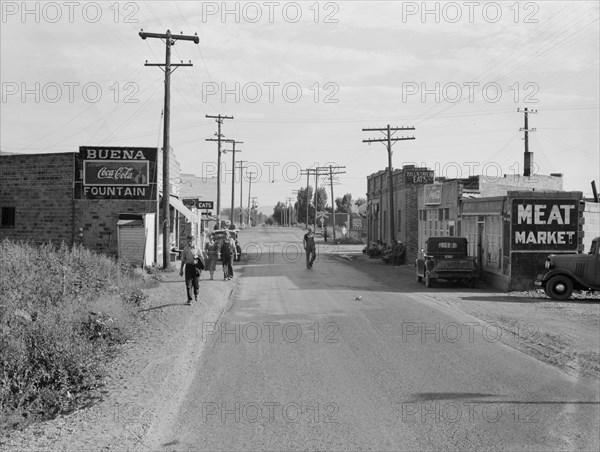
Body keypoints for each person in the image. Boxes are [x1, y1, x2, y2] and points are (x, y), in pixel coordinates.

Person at [179, 235, 201, 304]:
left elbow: (202, 258)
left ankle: (196, 294)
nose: (189, 243)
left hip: (196, 268)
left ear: (194, 241)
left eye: (191, 241)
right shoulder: (185, 249)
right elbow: (183, 260)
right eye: (188, 241)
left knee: (196, 283)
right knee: (188, 283)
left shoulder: (198, 249)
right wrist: (181, 269)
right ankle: (189, 299)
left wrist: (197, 259)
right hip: (188, 267)